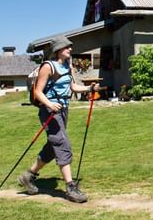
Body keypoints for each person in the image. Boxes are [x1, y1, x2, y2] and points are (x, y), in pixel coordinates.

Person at [17, 36, 99, 203]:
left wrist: (89, 88)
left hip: (62, 110)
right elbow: (38, 92)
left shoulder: (67, 66)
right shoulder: (48, 67)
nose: (70, 49)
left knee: (53, 146)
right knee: (62, 143)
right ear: (58, 50)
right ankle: (70, 187)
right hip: (49, 111)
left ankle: (28, 176)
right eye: (67, 47)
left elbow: (72, 87)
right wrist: (50, 104)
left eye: (70, 47)